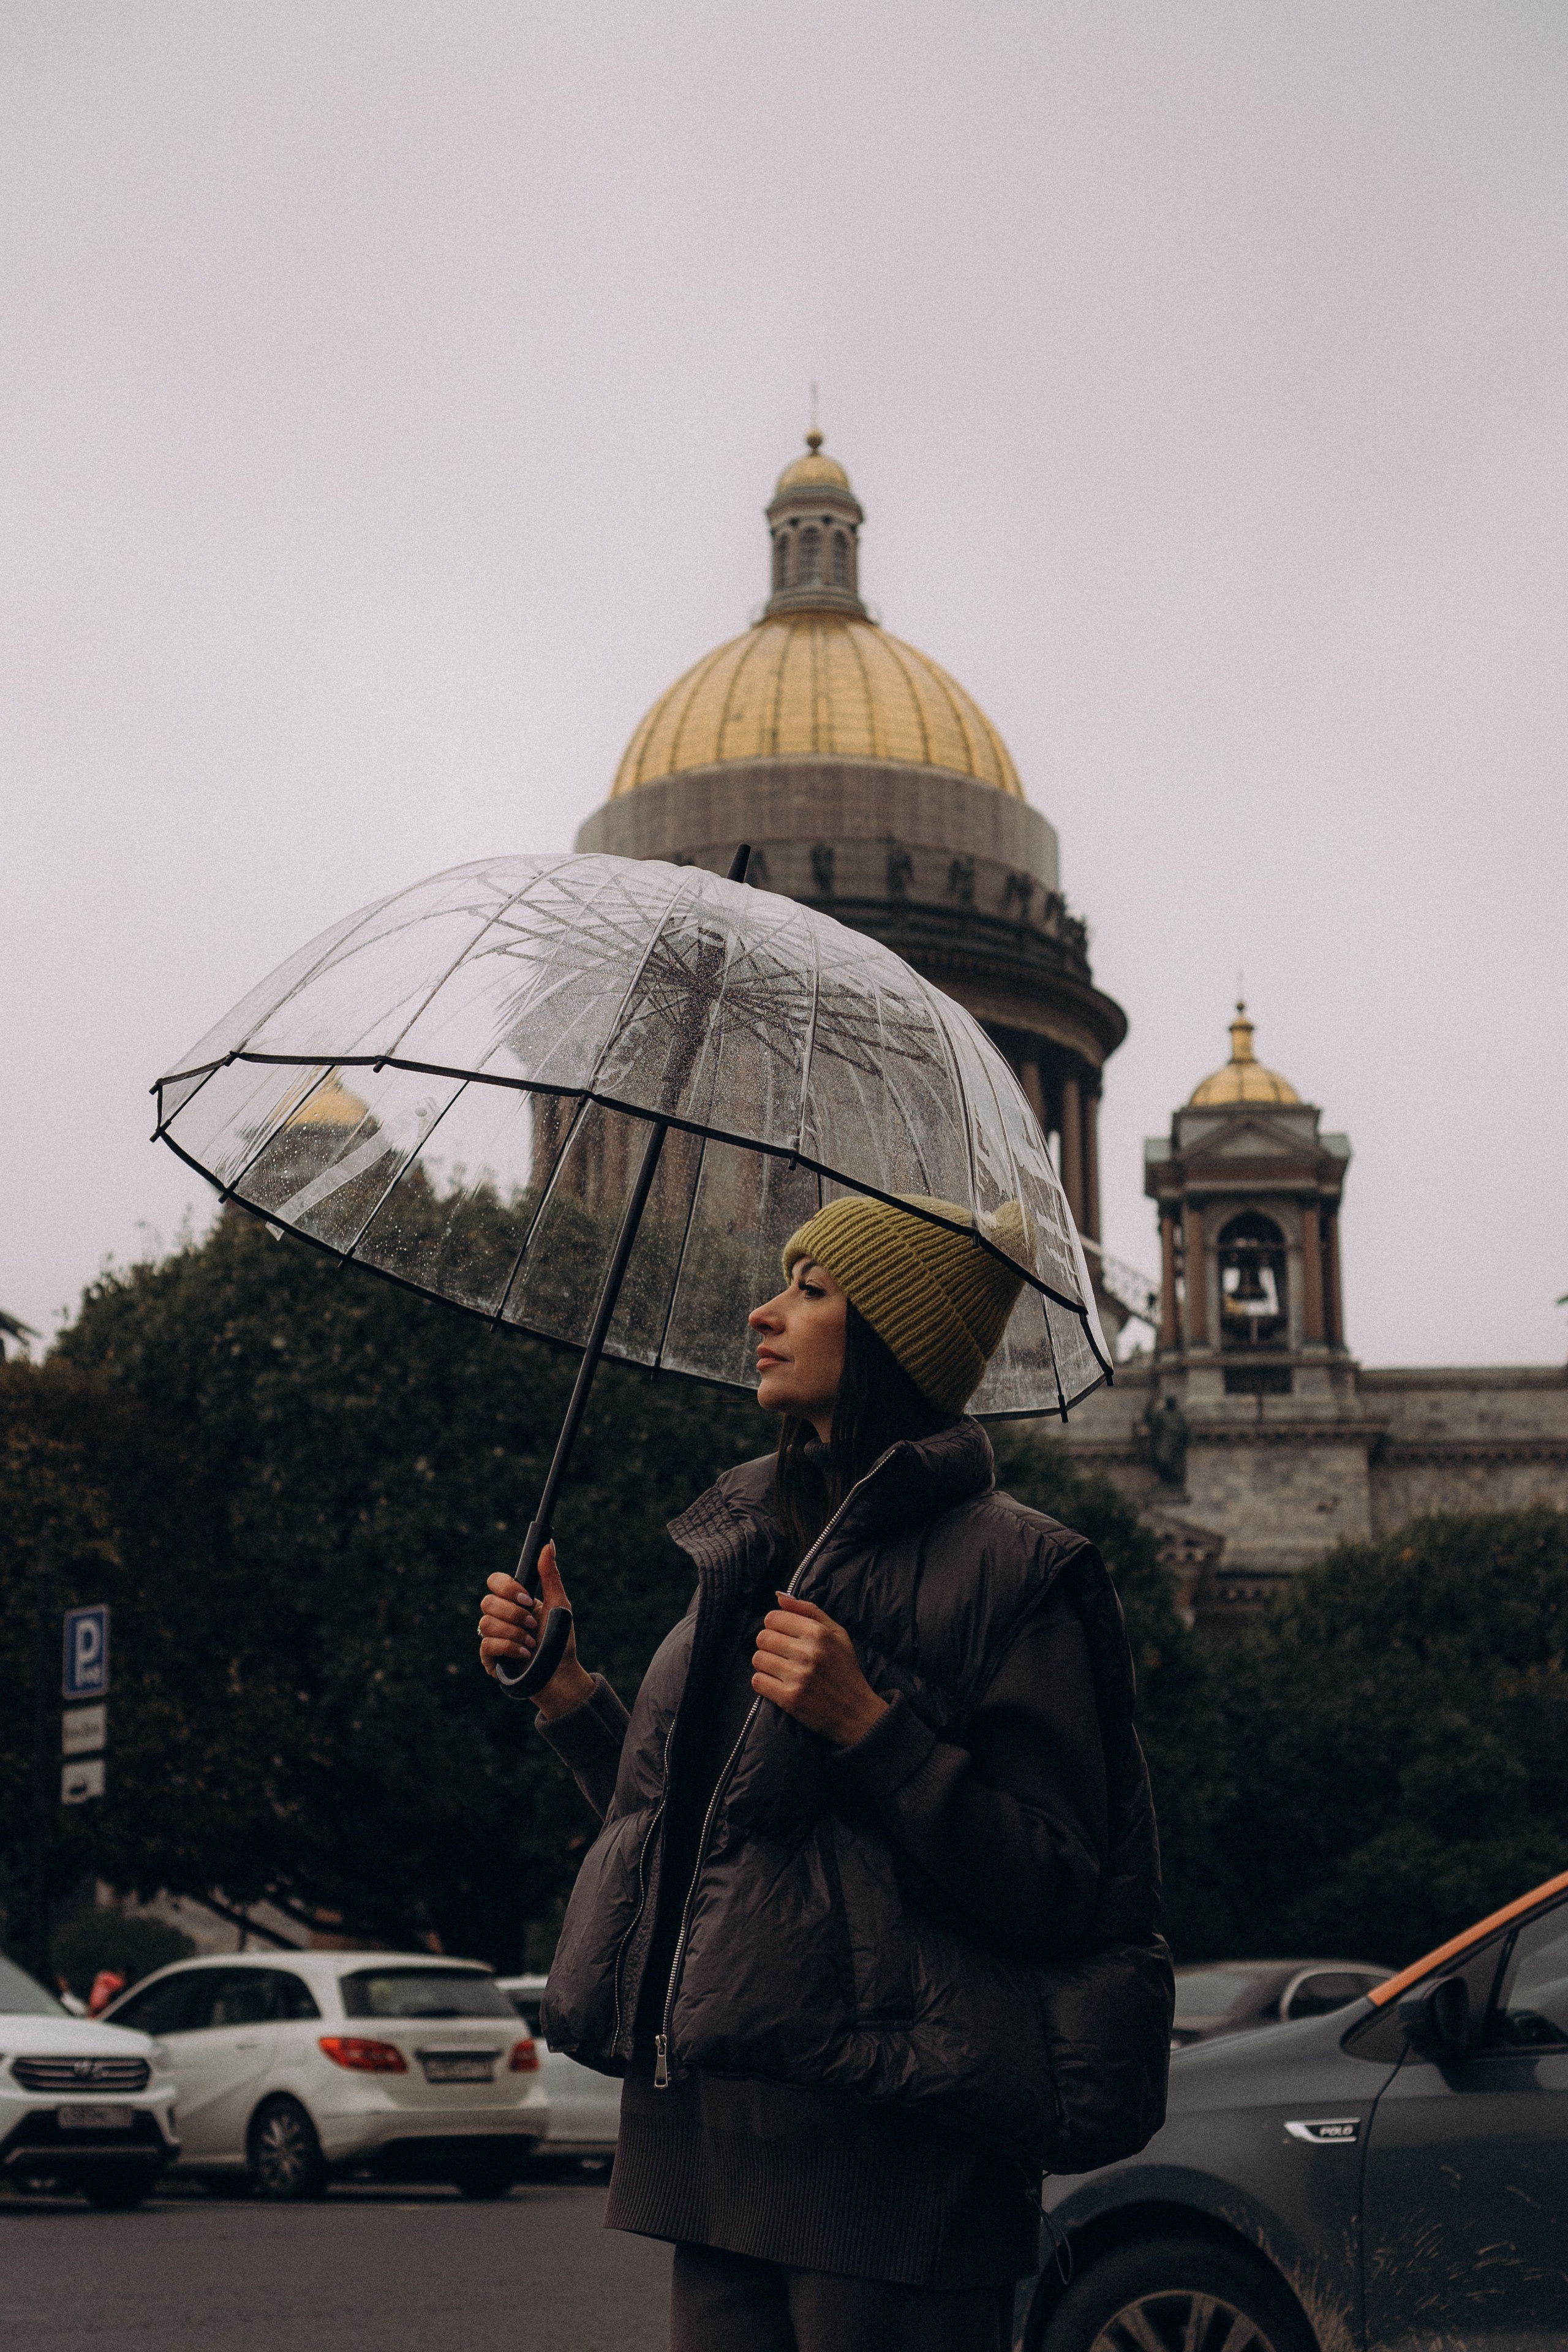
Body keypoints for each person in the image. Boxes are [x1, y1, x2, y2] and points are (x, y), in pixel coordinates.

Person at [479, 1195, 1163, 2352]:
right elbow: (712, 1848)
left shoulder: (1020, 1570)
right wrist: (566, 1695)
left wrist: (870, 1726)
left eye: (812, 1288)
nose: (764, 1311)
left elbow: (1061, 1891)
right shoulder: (747, 1542)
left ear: (897, 1335)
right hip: (720, 2143)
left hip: (899, 2171)